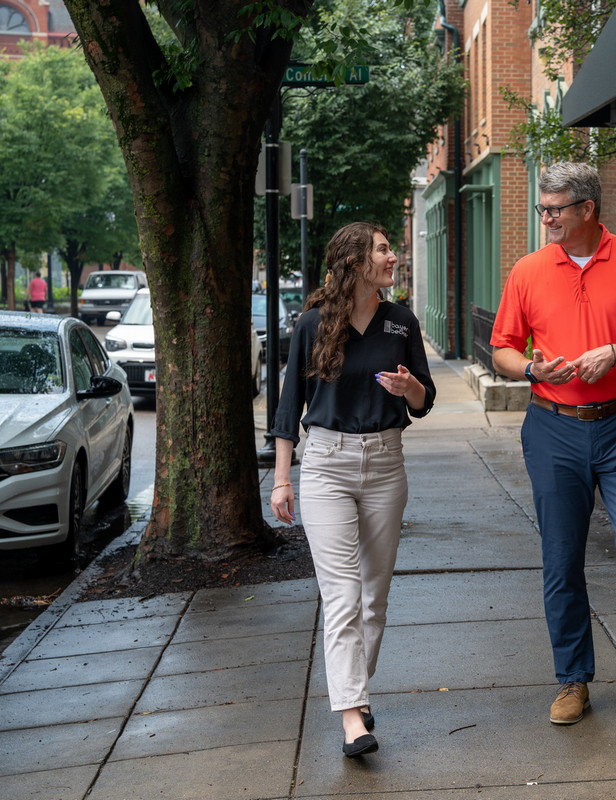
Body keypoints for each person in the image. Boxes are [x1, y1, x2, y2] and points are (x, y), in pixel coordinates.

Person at [490, 162, 616, 731]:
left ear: (587, 210)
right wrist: (531, 367)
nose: (546, 218)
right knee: (561, 558)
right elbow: (501, 349)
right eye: (542, 208)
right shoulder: (527, 271)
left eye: (555, 209)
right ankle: (572, 679)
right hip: (553, 426)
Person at [269, 221, 436, 758]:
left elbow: (424, 400)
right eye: (384, 249)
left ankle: (354, 694)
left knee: (373, 598)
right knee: (340, 596)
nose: (393, 256)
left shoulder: (400, 322)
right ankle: (352, 721)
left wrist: (412, 389)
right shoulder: (314, 324)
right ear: (358, 261)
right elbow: (289, 401)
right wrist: (281, 479)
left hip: (386, 464)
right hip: (325, 467)